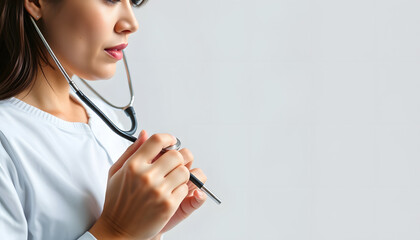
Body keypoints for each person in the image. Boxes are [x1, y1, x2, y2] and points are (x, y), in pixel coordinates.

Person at [0, 0, 207, 239]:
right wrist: (117, 231)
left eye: (134, 2)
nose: (131, 23)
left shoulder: (104, 119)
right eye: (110, 0)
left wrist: (147, 228)